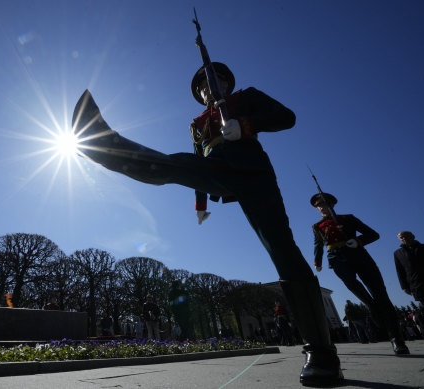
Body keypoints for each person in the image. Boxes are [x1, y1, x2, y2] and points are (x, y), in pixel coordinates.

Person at [72, 61, 342, 386]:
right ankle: (104, 143)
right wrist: (200, 205)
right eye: (201, 86)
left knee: (281, 248)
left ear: (227, 83)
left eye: (214, 81)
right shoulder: (198, 123)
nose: (207, 88)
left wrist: (245, 124)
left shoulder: (246, 97)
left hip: (254, 174)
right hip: (217, 171)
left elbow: (287, 118)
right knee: (173, 165)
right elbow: (198, 160)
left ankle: (322, 352)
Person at [311, 192, 410, 355]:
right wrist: (318, 262)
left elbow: (373, 234)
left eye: (325, 204)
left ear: (332, 205)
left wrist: (357, 241)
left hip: (360, 257)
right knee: (354, 287)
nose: (322, 208)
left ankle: (397, 339)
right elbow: (318, 245)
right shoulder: (317, 227)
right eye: (319, 206)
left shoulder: (348, 218)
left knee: (381, 296)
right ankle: (372, 306)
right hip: (337, 260)